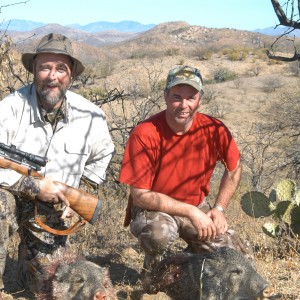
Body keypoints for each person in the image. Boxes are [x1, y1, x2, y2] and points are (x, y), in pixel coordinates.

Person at [0, 33, 115, 293]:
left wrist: (80, 195)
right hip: (7, 195)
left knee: (49, 285)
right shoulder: (9, 109)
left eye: (60, 68)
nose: (52, 76)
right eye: (45, 67)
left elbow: (102, 155)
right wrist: (34, 186)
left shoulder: (92, 117)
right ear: (34, 70)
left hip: (50, 210)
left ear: (71, 74)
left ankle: (24, 267)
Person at [119, 65, 249, 272]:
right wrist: (190, 211)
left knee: (233, 254)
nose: (184, 105)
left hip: (197, 205)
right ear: (165, 97)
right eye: (177, 97)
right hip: (154, 208)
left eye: (191, 98)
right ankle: (153, 271)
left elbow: (234, 169)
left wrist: (218, 209)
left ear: (200, 99)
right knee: (157, 235)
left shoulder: (214, 130)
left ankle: (190, 265)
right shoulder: (144, 133)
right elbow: (141, 196)